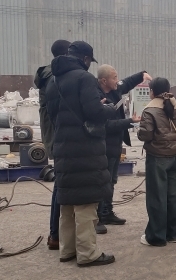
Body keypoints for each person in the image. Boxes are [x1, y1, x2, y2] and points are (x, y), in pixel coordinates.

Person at [46, 41, 118, 267]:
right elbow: (94, 111)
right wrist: (108, 109)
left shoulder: (53, 81)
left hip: (62, 147)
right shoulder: (84, 78)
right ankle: (88, 253)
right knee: (86, 203)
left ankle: (67, 250)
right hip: (85, 149)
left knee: (68, 203)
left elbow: (52, 115)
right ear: (85, 58)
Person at [96, 65, 152, 229]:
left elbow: (126, 83)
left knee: (111, 181)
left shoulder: (114, 91)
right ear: (104, 81)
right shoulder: (96, 97)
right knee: (102, 182)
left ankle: (107, 212)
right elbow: (105, 125)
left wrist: (142, 75)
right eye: (114, 77)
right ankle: (97, 217)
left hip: (115, 145)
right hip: (102, 146)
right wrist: (129, 122)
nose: (117, 80)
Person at [137, 77, 176, 247]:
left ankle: (156, 237)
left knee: (157, 197)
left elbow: (145, 135)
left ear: (152, 92)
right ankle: (173, 234)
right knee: (172, 196)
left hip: (157, 158)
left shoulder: (150, 110)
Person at [34, 39, 71, 251]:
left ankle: (58, 234)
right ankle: (55, 235)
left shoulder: (52, 74)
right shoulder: (53, 75)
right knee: (61, 185)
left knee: (62, 183)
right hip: (58, 136)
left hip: (56, 135)